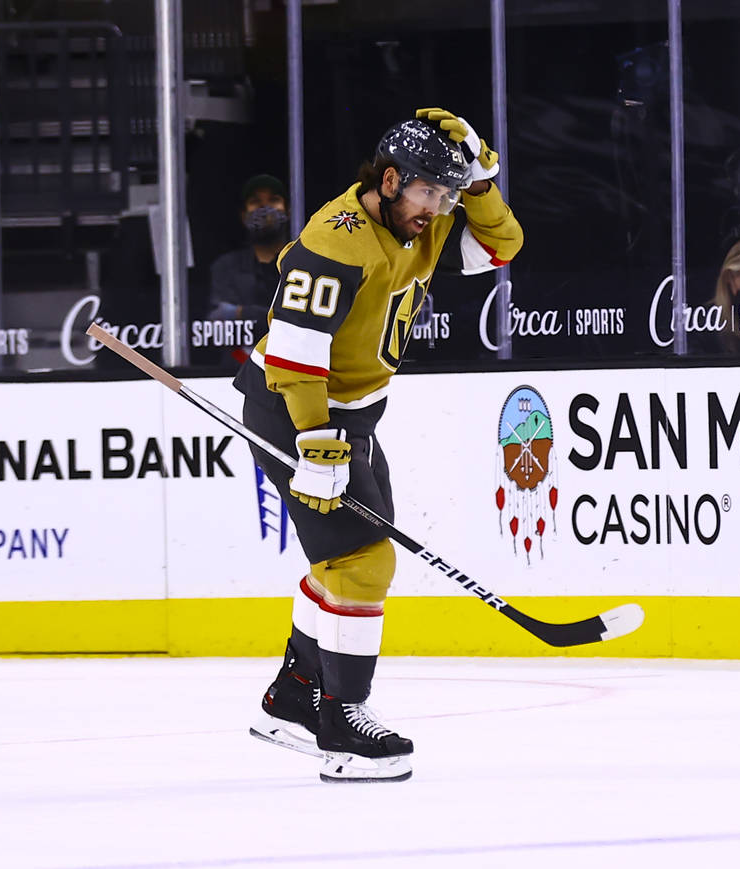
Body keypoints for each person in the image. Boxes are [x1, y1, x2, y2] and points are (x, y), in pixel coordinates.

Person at [235, 109, 523, 782]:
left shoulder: (420, 225)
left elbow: (502, 246)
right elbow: (297, 355)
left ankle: (292, 697)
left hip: (352, 419)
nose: (439, 207)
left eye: (448, 195)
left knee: (344, 560)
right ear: (390, 179)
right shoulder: (334, 240)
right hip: (293, 409)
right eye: (430, 190)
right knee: (364, 563)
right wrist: (316, 446)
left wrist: (480, 182)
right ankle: (342, 720)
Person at [206, 175, 291, 362]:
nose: (265, 208)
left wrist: (242, 312)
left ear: (288, 211)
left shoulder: (302, 263)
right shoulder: (226, 267)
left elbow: (304, 323)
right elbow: (220, 320)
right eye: (256, 202)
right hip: (234, 370)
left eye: (274, 200)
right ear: (244, 215)